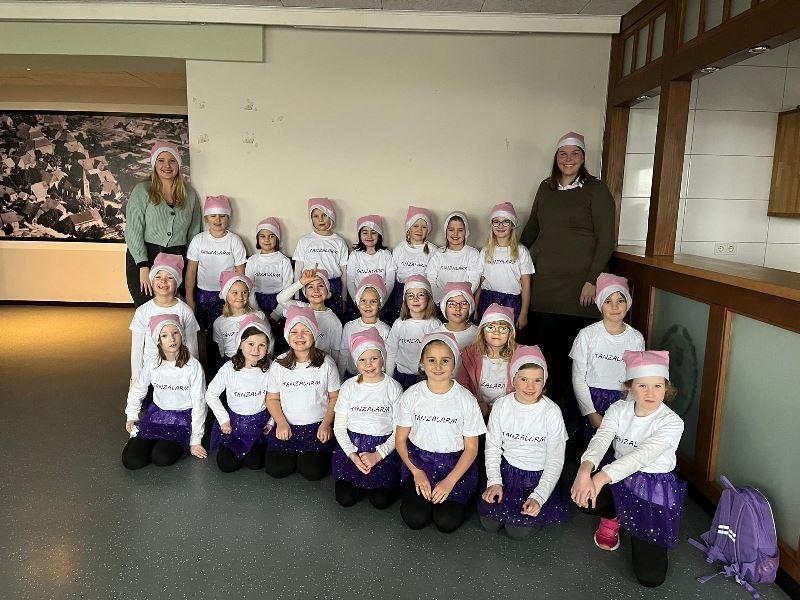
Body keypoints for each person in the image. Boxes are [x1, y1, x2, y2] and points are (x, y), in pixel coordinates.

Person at [519, 131, 615, 424]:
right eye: (563, 153)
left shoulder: (596, 190)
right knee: (544, 358)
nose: (568, 159)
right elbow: (532, 229)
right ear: (556, 158)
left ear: (583, 158)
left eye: (575, 154)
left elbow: (606, 240)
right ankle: (540, 421)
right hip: (545, 289)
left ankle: (570, 426)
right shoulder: (545, 188)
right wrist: (510, 254)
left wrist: (591, 280)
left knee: (574, 364)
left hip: (579, 292)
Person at [571, 350, 685, 588]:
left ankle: (633, 523)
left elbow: (640, 457)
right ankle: (613, 515)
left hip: (652, 486)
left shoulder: (672, 422)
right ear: (630, 387)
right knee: (583, 497)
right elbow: (601, 438)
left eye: (657, 386)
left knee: (650, 578)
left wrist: (599, 478)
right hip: (618, 478)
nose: (650, 393)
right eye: (642, 385)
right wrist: (584, 471)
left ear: (666, 388)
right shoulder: (619, 409)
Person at [395, 331, 486, 533]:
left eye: (445, 360)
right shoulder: (412, 395)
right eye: (431, 360)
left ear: (454, 363)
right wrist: (416, 472)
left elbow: (471, 449)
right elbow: (400, 440)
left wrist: (450, 481)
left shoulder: (466, 399)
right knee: (415, 519)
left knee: (446, 522)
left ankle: (457, 499)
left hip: (454, 465)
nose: (438, 366)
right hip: (420, 462)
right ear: (422, 363)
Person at [479, 345, 571, 539]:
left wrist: (538, 496)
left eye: (537, 380)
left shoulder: (552, 412)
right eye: (524, 379)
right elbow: (493, 448)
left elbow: (555, 460)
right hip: (508, 473)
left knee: (517, 532)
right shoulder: (502, 405)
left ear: (544, 381)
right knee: (490, 524)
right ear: (513, 379)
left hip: (537, 477)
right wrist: (494, 481)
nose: (530, 387)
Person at [264, 305, 341, 481]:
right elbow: (272, 399)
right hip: (287, 426)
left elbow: (335, 397)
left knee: (313, 472)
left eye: (306, 331)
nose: (300, 336)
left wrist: (326, 424)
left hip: (317, 427)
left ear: (314, 334)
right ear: (287, 336)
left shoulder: (326, 363)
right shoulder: (279, 364)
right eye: (294, 332)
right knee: (276, 469)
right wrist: (281, 423)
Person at [122, 314, 207, 469]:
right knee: (131, 461)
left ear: (181, 335)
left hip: (182, 419)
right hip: (157, 416)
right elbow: (138, 389)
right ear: (158, 340)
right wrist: (132, 415)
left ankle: (165, 443)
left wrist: (196, 441)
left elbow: (199, 403)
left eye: (175, 333)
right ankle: (150, 440)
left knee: (161, 458)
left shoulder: (193, 366)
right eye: (164, 335)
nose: (172, 339)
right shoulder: (152, 363)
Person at [332, 328, 403, 509]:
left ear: (382, 358)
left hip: (383, 448)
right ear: (356, 362)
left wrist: (378, 455)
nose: (368, 364)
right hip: (353, 447)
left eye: (374, 358)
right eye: (362, 360)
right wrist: (352, 455)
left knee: (381, 501)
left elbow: (400, 430)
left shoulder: (393, 387)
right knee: (345, 498)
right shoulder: (349, 386)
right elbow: (339, 427)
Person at [124, 140, 201, 307]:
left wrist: (191, 267)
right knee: (146, 307)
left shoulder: (190, 194)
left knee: (174, 309)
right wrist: (143, 266)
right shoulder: (142, 190)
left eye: (172, 160)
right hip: (145, 257)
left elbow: (195, 232)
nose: (167, 165)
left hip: (178, 258)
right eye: (161, 160)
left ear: (178, 165)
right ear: (154, 164)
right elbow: (133, 231)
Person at [570, 273, 644, 446]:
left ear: (628, 303)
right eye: (608, 301)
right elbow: (578, 377)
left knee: (617, 451)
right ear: (600, 304)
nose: (615, 306)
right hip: (591, 400)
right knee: (591, 449)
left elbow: (636, 378)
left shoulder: (636, 338)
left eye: (620, 301)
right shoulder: (587, 335)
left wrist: (626, 410)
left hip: (622, 401)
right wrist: (590, 412)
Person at [206, 316, 272, 473]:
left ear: (268, 347)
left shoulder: (271, 368)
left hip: (260, 423)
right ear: (241, 344)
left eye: (261, 345)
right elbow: (211, 394)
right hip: (234, 423)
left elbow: (278, 397)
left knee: (255, 463)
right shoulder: (229, 368)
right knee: (227, 465)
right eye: (250, 344)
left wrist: (271, 422)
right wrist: (223, 419)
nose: (256, 350)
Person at [129, 252, 199, 383]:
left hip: (178, 373)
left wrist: (193, 378)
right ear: (151, 281)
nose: (163, 281)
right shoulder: (142, 311)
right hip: (151, 374)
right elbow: (137, 350)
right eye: (158, 276)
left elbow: (192, 347)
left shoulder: (185, 311)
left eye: (170, 277)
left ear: (177, 283)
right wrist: (136, 380)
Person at [185, 195, 247, 331]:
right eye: (213, 216)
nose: (217, 220)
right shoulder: (198, 240)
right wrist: (190, 299)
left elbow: (240, 273)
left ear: (228, 218)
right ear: (206, 218)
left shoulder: (234, 241)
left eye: (222, 216)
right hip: (203, 295)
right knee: (204, 332)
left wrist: (239, 299)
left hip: (228, 296)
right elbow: (191, 272)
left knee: (226, 331)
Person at [476, 203, 533, 328]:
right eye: (496, 221)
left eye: (506, 221)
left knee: (507, 336)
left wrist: (524, 314)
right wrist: (475, 309)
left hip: (512, 301)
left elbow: (526, 285)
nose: (500, 226)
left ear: (512, 225)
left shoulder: (522, 251)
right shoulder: (485, 251)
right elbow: (479, 283)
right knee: (488, 336)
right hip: (487, 299)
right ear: (491, 225)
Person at [293, 198, 349, 321]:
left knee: (332, 319)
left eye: (324, 215)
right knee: (310, 321)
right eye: (316, 216)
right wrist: (297, 296)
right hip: (310, 286)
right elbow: (298, 270)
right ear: (311, 219)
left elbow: (344, 273)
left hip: (334, 287)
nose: (320, 219)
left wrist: (344, 298)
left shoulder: (339, 242)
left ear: (331, 216)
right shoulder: (304, 241)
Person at [274, 267, 343, 366]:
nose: (316, 290)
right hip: (298, 361)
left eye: (320, 286)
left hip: (319, 364)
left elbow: (335, 352)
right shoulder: (298, 308)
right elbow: (280, 299)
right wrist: (301, 282)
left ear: (328, 291)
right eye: (310, 287)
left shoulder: (333, 321)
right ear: (305, 293)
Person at [456, 303, 516, 417]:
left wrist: (502, 407)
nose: (496, 332)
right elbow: (462, 384)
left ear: (510, 333)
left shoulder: (518, 355)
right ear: (482, 331)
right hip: (475, 411)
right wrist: (477, 403)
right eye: (490, 327)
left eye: (503, 328)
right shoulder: (469, 354)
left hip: (506, 413)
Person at [385, 275, 442, 390]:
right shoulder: (399, 324)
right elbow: (391, 353)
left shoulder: (435, 325)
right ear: (405, 300)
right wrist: (389, 380)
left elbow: (439, 355)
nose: (415, 299)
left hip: (426, 378)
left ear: (428, 298)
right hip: (401, 377)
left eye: (420, 295)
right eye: (410, 296)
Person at [386, 206, 438, 320]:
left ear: (428, 230)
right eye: (415, 226)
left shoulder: (433, 250)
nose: (419, 230)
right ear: (409, 228)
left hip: (424, 292)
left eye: (424, 227)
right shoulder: (399, 249)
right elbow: (393, 275)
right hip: (402, 291)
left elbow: (434, 276)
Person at [337, 274, 391, 380]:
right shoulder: (349, 327)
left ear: (380, 304)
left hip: (375, 377)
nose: (368, 305)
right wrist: (340, 378)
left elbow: (387, 360)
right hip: (352, 377)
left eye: (373, 301)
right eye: (363, 301)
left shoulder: (386, 330)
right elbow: (343, 354)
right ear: (358, 302)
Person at [211, 272, 271, 367]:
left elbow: (269, 340)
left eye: (244, 292)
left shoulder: (259, 316)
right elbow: (221, 348)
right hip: (230, 362)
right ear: (226, 295)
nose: (240, 297)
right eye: (235, 293)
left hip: (255, 361)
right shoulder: (219, 322)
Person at [344, 215, 396, 322]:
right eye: (365, 233)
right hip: (360, 302)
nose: (369, 236)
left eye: (373, 232)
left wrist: (381, 302)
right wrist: (357, 301)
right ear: (359, 235)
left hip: (381, 301)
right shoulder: (355, 255)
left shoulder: (386, 255)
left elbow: (390, 281)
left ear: (379, 234)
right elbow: (350, 281)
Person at [425, 211, 481, 305]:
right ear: (446, 231)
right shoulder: (438, 253)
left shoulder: (473, 254)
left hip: (463, 304)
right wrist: (442, 300)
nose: (455, 233)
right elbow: (431, 280)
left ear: (466, 232)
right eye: (451, 230)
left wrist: (459, 300)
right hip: (439, 303)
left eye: (460, 230)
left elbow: (474, 280)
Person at [245, 217, 293, 318]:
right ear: (258, 239)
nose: (266, 239)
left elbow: (288, 288)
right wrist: (256, 311)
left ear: (277, 239)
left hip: (279, 302)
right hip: (257, 301)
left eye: (271, 236)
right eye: (262, 236)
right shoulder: (252, 260)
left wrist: (276, 314)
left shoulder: (284, 261)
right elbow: (249, 288)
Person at [437, 281, 478, 350]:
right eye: (452, 303)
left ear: (470, 307)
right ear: (444, 307)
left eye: (463, 303)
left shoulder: (478, 333)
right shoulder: (436, 334)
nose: (458, 308)